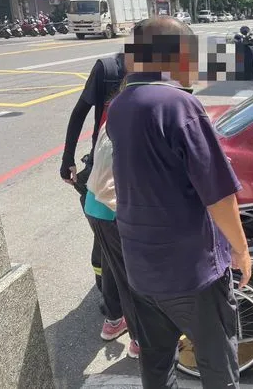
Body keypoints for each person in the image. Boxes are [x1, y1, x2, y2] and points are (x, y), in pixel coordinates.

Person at [106, 17, 251, 389]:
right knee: (217, 361)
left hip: (140, 264)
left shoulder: (121, 105)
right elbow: (218, 192)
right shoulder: (179, 104)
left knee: (156, 363)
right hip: (190, 270)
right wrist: (240, 250)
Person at [60, 54, 125, 310]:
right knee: (107, 235)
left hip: (132, 166)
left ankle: (114, 306)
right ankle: (112, 304)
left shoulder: (164, 71)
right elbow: (79, 113)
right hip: (104, 164)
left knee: (112, 236)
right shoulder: (107, 69)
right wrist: (67, 158)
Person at [85, 119, 140, 358]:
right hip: (115, 209)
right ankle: (140, 339)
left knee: (112, 265)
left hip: (95, 206)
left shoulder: (114, 117)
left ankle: (114, 320)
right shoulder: (137, 122)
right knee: (133, 275)